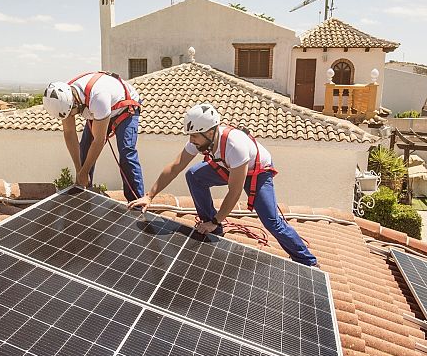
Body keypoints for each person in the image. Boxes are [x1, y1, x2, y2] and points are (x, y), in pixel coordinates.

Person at [128, 103, 318, 267]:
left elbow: (234, 192)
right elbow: (175, 166)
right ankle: (212, 228)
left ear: (210, 132)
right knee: (193, 175)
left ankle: (307, 260)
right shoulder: (202, 139)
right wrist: (149, 196)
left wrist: (216, 220)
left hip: (257, 172)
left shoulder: (235, 145)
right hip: (228, 166)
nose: (191, 141)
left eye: (195, 136)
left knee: (271, 221)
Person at [43, 71, 144, 201]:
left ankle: (136, 201)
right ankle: (84, 194)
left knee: (126, 152)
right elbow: (69, 133)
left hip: (125, 109)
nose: (72, 116)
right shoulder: (63, 100)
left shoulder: (98, 98)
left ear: (75, 102)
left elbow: (98, 140)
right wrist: (79, 170)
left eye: (72, 113)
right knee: (85, 150)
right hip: (101, 110)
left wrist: (84, 172)